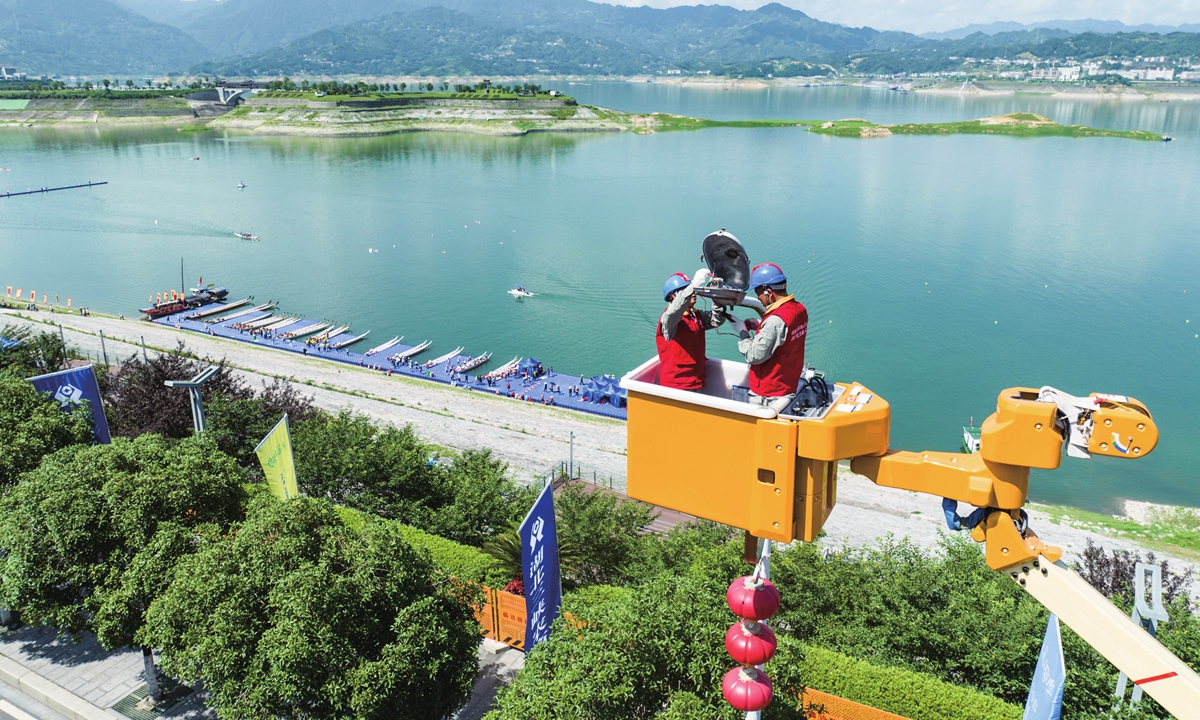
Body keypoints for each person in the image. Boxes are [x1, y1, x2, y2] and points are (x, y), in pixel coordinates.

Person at [733, 263, 808, 407]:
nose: (759, 299)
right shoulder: (800, 309)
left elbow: (754, 356)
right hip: (788, 386)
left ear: (768, 292)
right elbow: (786, 334)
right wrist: (760, 324)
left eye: (758, 294)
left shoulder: (775, 321)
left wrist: (742, 332)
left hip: (768, 394)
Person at [656, 269, 726, 390]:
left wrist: (717, 296)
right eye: (686, 289)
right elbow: (674, 311)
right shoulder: (668, 320)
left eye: (692, 289)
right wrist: (694, 285)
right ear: (673, 295)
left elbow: (716, 320)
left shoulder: (695, 315)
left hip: (696, 380)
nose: (693, 292)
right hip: (677, 385)